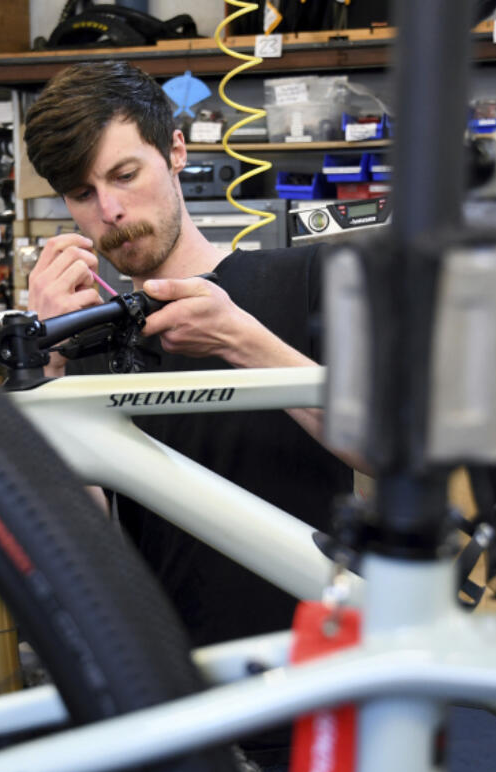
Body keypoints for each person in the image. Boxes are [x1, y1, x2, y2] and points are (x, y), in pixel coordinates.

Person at [23, 60, 355, 649]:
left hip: (313, 672)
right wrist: (44, 366)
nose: (111, 212)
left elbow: (387, 452)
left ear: (176, 151)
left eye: (125, 174)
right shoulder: (89, 340)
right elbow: (84, 546)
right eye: (82, 194)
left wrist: (239, 338)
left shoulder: (302, 281)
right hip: (169, 676)